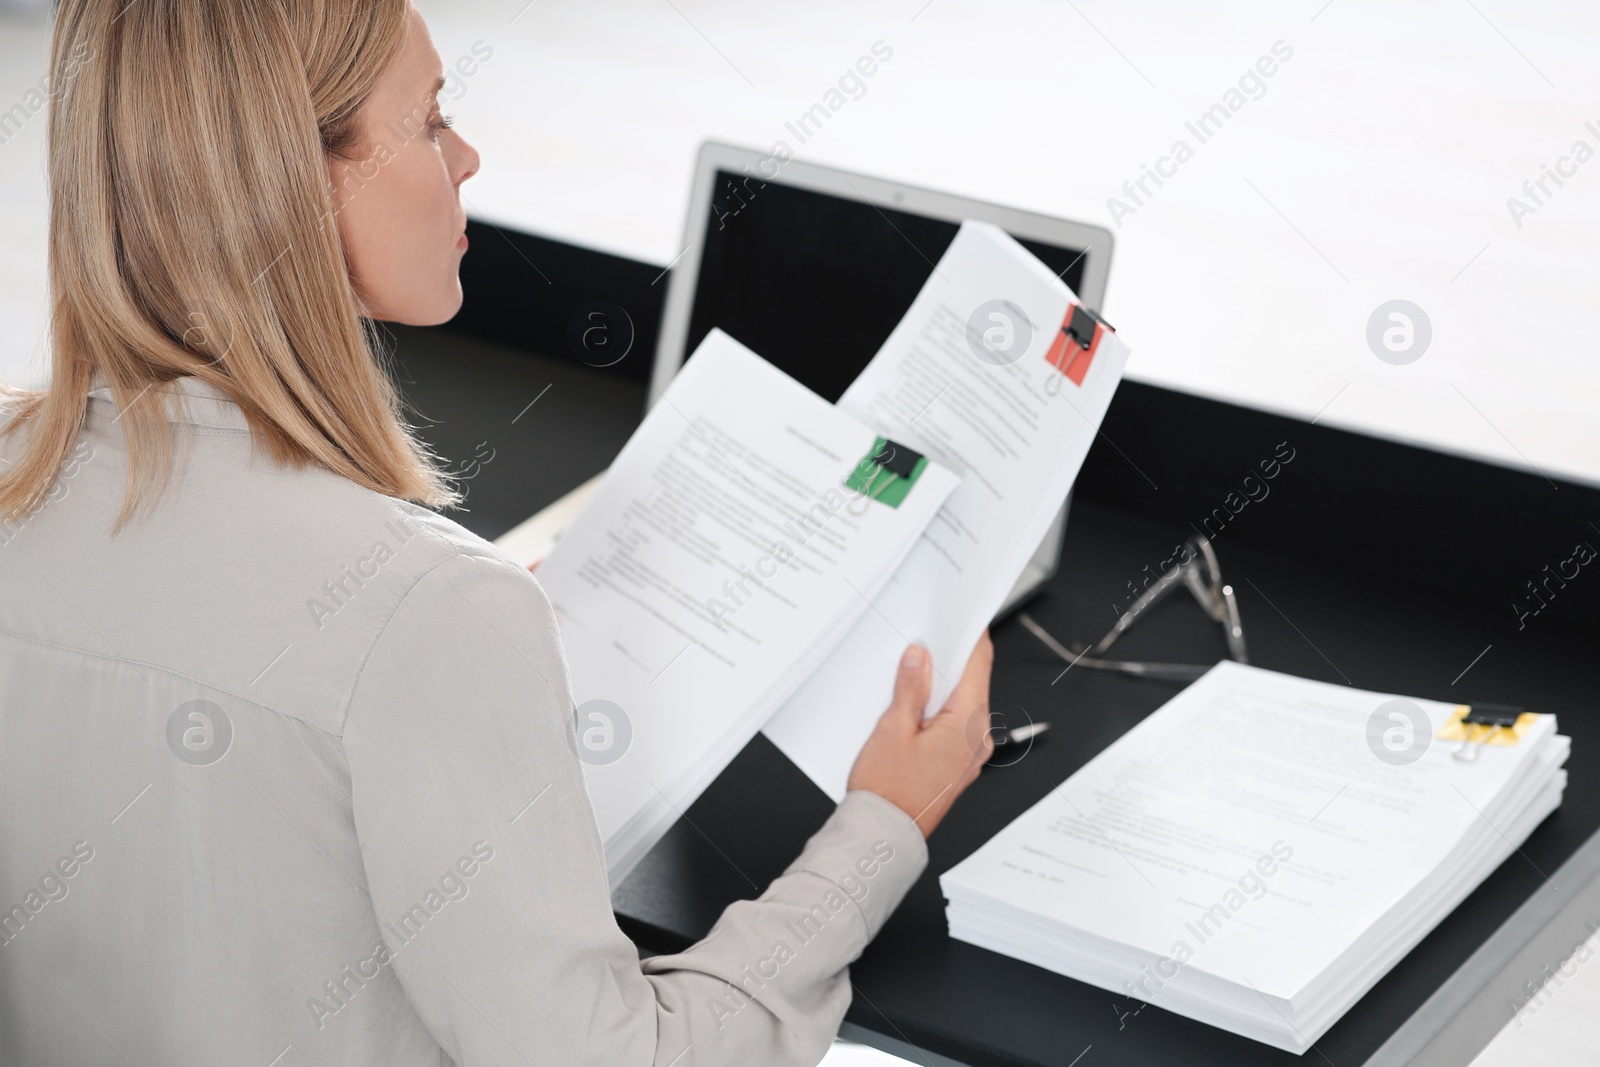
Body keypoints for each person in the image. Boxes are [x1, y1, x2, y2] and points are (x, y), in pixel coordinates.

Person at [0, 2, 995, 1064]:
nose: (467, 154)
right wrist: (880, 825)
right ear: (292, 177)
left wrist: (453, 652)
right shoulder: (425, 611)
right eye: (430, 120)